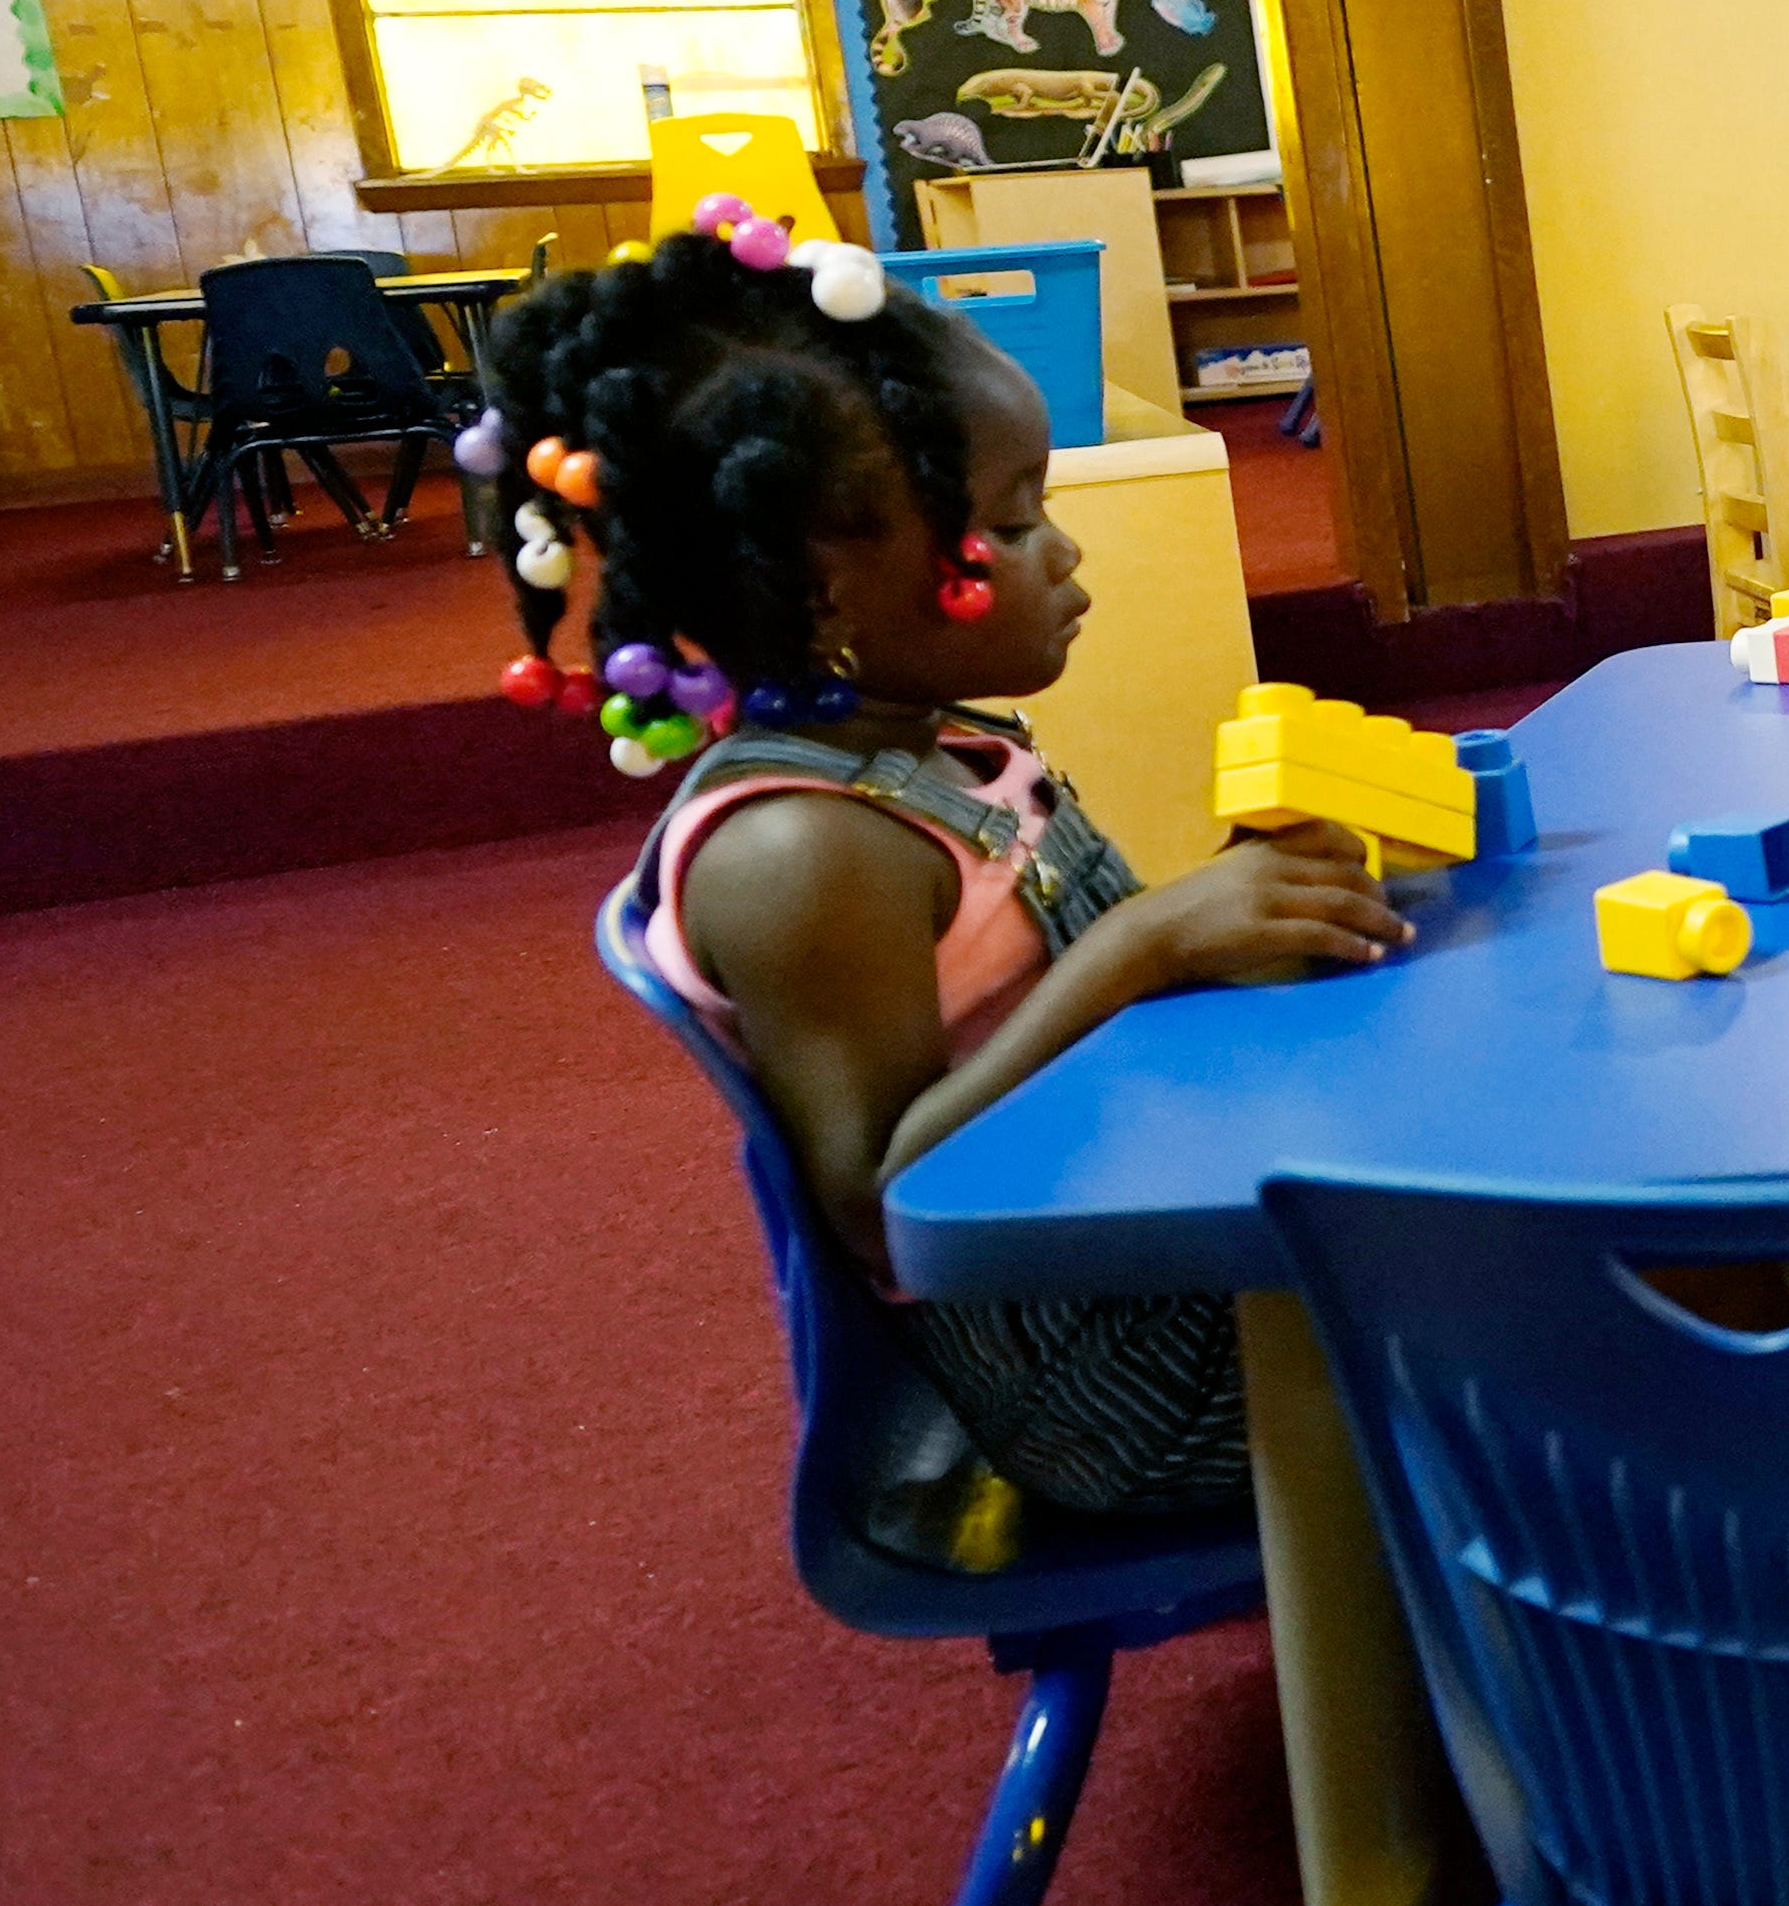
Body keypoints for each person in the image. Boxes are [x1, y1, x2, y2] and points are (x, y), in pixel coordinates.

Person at [487, 226, 1404, 1562]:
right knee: (1575, 1293)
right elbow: (888, 1202)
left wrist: (1217, 920)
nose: (1065, 555)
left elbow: (1047, 1005)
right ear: (823, 584)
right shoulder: (805, 851)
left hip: (1158, 1251)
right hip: (1122, 1389)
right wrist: (1145, 947)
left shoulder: (930, 747)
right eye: (1014, 521)